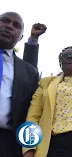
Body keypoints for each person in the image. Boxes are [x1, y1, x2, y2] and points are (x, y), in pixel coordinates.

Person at [0, 12, 40, 157]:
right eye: (4, 21)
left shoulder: (28, 72)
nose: (9, 26)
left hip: (9, 144)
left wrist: (29, 148)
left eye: (16, 25)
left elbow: (33, 112)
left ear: (21, 37)